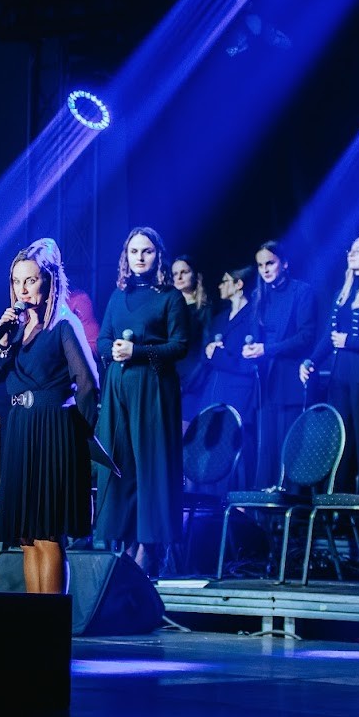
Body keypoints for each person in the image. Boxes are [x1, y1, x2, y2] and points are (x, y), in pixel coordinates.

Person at [0, 239, 100, 594]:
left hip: (53, 432)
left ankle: (52, 618)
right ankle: (36, 617)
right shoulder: (17, 330)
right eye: (17, 281)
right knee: (27, 536)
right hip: (21, 431)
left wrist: (79, 437)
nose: (22, 288)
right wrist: (3, 342)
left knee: (48, 534)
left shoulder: (64, 324)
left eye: (30, 280)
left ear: (48, 281)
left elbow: (88, 384)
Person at [94, 226, 189, 578]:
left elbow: (180, 345)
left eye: (146, 251)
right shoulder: (118, 295)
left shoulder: (170, 297)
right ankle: (125, 542)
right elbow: (103, 340)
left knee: (151, 466)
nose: (139, 257)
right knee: (120, 465)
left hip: (153, 389)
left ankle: (150, 547)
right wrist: (114, 350)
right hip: (118, 388)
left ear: (158, 255)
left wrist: (138, 351)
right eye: (134, 251)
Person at [299, 237, 359, 494]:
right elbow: (329, 336)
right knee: (340, 440)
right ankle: (337, 501)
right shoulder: (343, 294)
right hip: (340, 377)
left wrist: (350, 341)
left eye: (357, 251)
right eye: (350, 251)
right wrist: (311, 361)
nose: (350, 255)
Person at [243, 240, 318, 488]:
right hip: (266, 382)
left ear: (284, 263)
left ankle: (292, 502)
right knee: (268, 449)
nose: (265, 270)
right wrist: (250, 349)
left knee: (290, 447)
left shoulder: (302, 291)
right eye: (260, 265)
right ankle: (266, 505)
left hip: (290, 380)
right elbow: (255, 335)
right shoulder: (258, 296)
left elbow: (306, 336)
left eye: (270, 263)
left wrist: (267, 349)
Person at [201, 265, 259, 488]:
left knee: (239, 446)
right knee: (217, 446)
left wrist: (218, 354)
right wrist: (211, 352)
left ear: (238, 284)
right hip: (217, 391)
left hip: (240, 392)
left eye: (225, 281)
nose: (220, 286)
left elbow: (246, 364)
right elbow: (207, 354)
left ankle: (241, 497)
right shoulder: (221, 318)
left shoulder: (253, 317)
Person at [171, 253, 212, 429]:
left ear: (195, 275)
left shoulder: (204, 309)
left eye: (184, 272)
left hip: (193, 381)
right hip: (169, 379)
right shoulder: (169, 309)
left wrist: (188, 384)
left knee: (185, 433)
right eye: (175, 274)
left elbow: (205, 350)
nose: (179, 277)